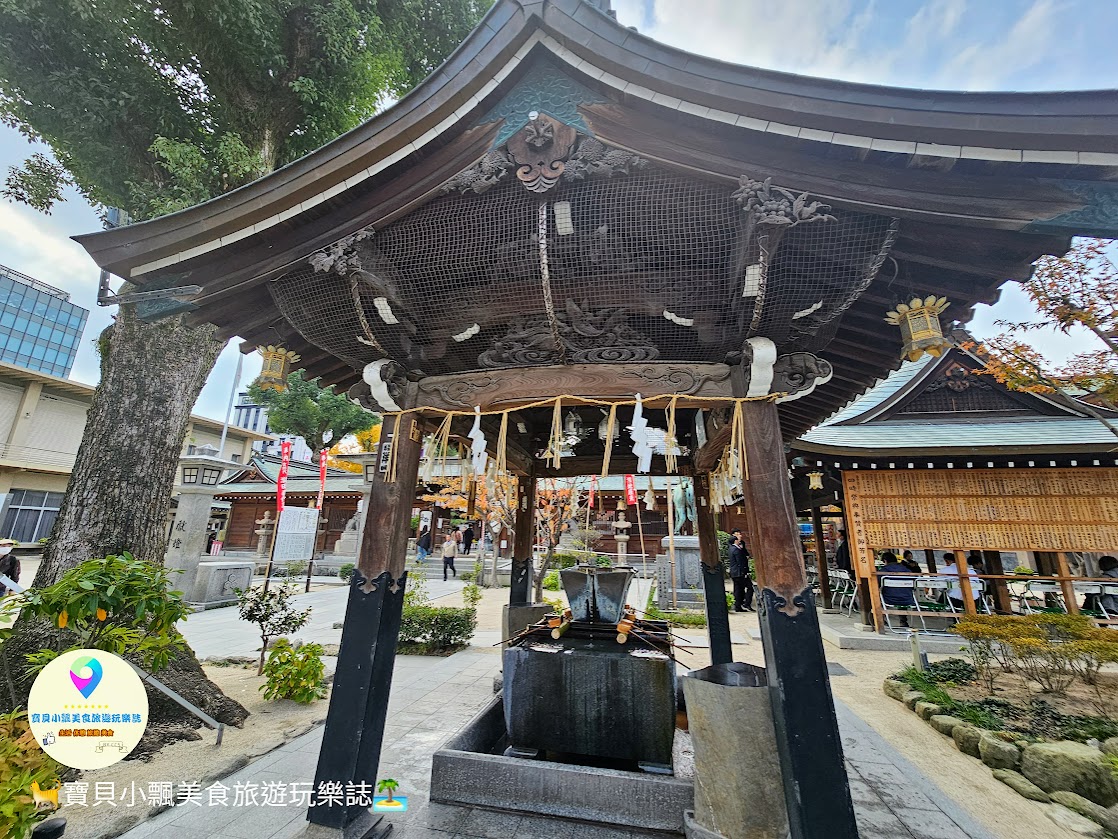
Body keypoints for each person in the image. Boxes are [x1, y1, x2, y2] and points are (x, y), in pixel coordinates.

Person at [878, 551, 917, 627]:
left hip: (888, 599)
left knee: (876, 596)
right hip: (908, 599)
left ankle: (881, 619)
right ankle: (903, 621)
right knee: (901, 592)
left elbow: (877, 584)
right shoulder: (907, 570)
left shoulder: (883, 571)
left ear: (885, 561)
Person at [728, 535, 754, 612]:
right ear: (735, 541)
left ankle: (738, 606)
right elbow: (741, 562)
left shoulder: (731, 549)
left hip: (734, 572)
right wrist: (745, 572)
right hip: (740, 573)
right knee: (749, 588)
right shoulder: (736, 550)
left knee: (738, 590)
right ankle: (746, 603)